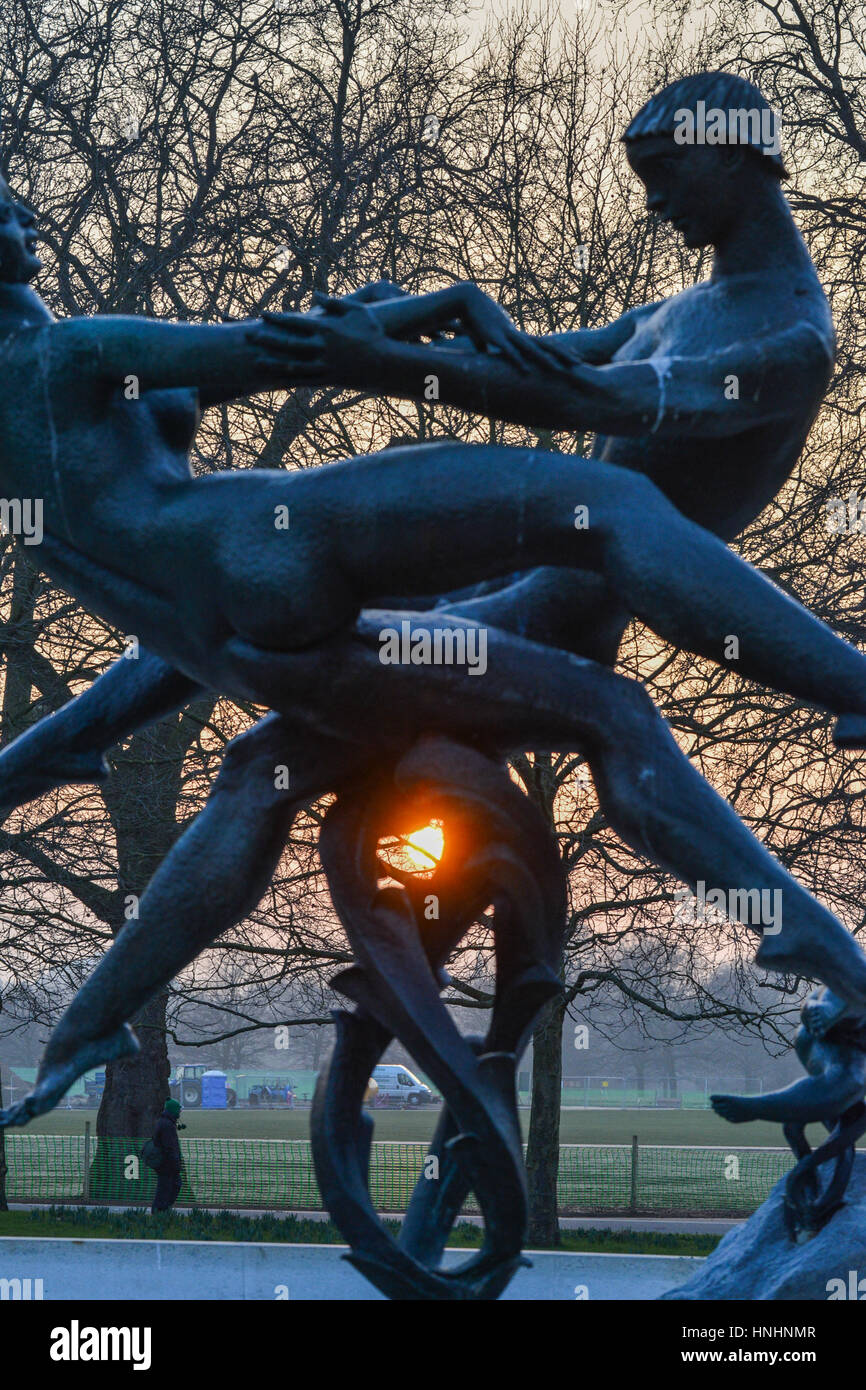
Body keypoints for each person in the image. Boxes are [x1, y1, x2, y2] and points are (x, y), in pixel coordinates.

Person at [4, 72, 866, 1128]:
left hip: (462, 606)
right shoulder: (676, 310)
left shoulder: (787, 342)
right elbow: (546, 365)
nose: (653, 206)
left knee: (265, 747)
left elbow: (588, 396)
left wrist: (381, 348)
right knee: (566, 603)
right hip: (476, 599)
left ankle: (87, 1014)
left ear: (733, 154)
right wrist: (389, 339)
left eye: (663, 177)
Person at [150, 1098, 184, 1214]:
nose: (180, 1113)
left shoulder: (164, 1122)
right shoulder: (168, 1126)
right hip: (167, 1164)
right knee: (167, 1188)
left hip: (164, 1164)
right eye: (178, 1110)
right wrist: (176, 1163)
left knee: (168, 1187)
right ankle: (160, 1211)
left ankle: (162, 1210)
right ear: (173, 1111)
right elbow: (170, 1147)